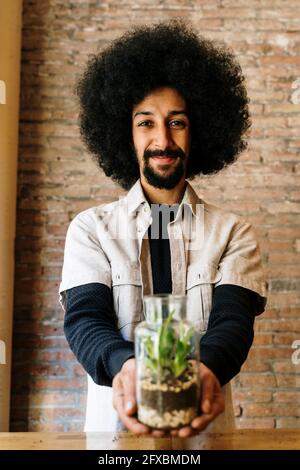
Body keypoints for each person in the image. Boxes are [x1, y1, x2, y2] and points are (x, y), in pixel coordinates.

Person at [59, 20, 267, 438]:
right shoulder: (91, 229)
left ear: (198, 132)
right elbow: (85, 320)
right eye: (146, 123)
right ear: (126, 135)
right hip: (115, 430)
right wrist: (127, 368)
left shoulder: (233, 233)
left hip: (203, 432)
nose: (162, 139)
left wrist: (204, 370)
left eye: (177, 122)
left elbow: (233, 321)